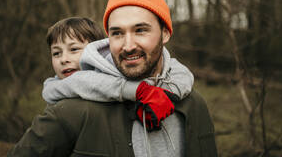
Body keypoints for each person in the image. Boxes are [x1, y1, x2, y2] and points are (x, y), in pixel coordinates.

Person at [8, 0, 217, 157]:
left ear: (165, 33)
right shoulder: (72, 110)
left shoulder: (193, 105)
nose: (128, 46)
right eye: (117, 33)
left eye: (140, 30)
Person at [43, 17, 194, 129]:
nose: (64, 59)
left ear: (97, 51)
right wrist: (140, 90)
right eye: (56, 53)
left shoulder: (116, 68)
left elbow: (177, 69)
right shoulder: (55, 89)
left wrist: (165, 93)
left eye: (74, 49)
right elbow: (80, 82)